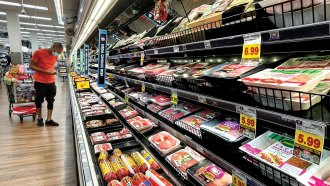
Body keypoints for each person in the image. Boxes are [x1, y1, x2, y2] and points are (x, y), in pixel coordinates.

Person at [29, 43, 63, 126]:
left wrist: (52, 71)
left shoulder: (55, 56)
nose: (58, 54)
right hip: (40, 81)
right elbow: (31, 65)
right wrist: (45, 72)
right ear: (53, 47)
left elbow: (49, 66)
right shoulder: (38, 52)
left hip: (51, 81)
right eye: (58, 52)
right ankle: (39, 118)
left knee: (51, 100)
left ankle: (49, 119)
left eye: (59, 53)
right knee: (39, 100)